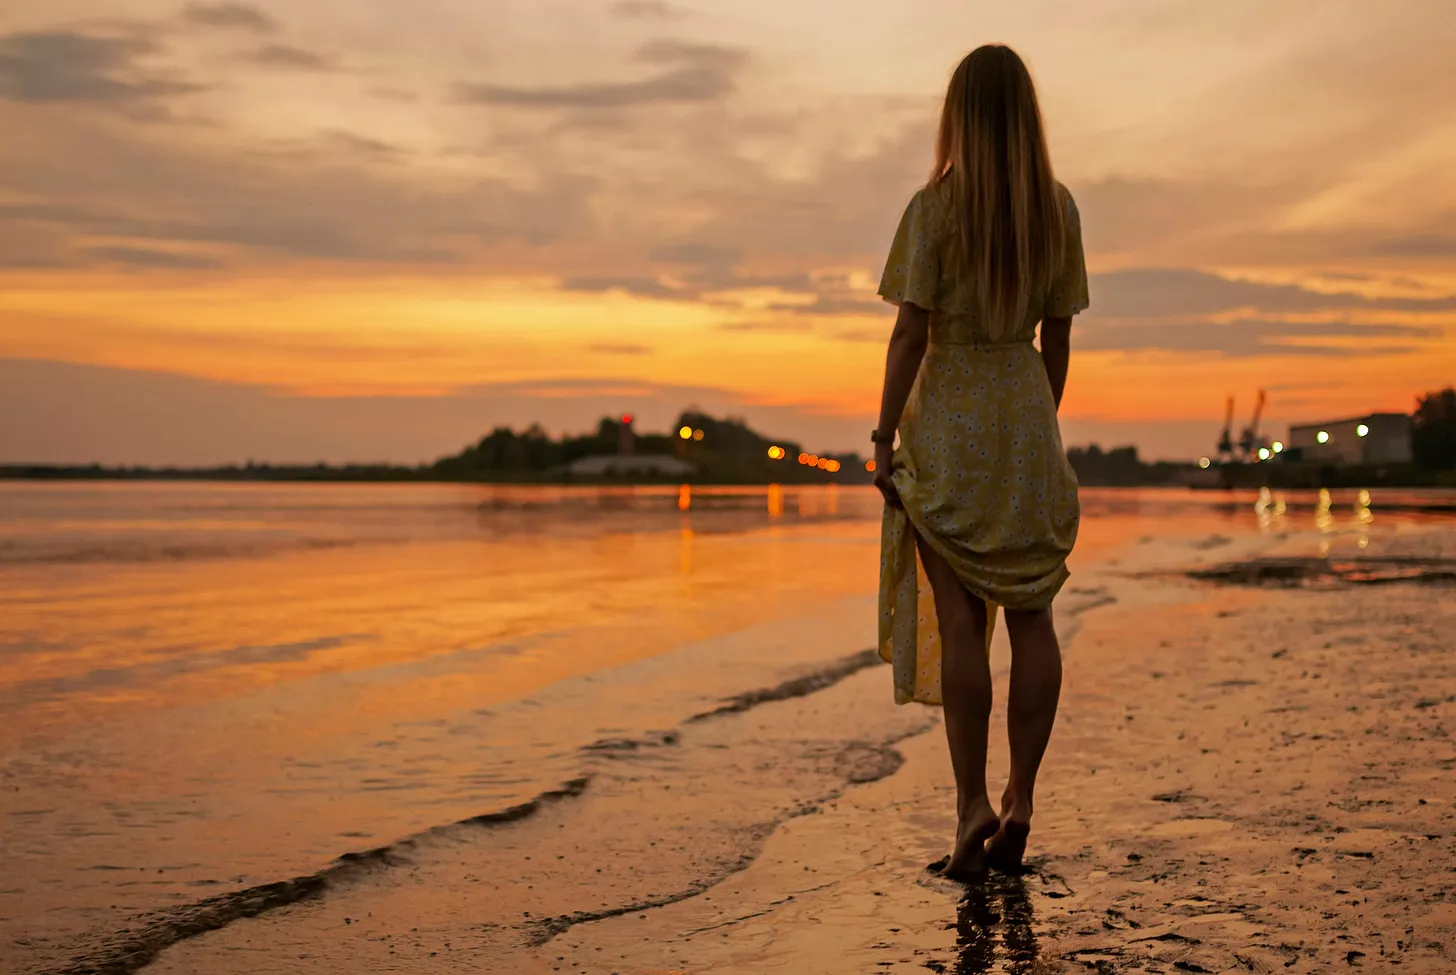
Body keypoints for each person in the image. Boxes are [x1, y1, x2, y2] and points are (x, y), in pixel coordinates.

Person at [871, 44, 1088, 879]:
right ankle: (1022, 797)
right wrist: (1037, 422)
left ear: (958, 115)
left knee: (959, 620)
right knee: (1033, 617)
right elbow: (1060, 331)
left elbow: (910, 333)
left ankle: (971, 807)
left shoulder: (934, 208)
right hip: (1025, 412)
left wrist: (884, 437)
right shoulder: (1057, 210)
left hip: (948, 420)